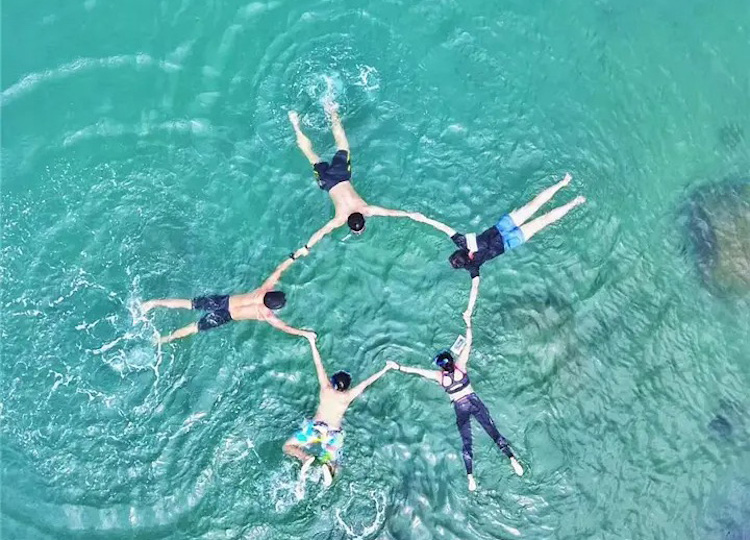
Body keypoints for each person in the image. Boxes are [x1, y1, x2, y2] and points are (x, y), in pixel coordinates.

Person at [391, 295, 524, 492]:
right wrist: (468, 323)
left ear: (441, 366)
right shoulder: (461, 366)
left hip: (460, 407)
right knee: (493, 431)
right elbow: (469, 342)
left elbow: (418, 371)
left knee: (467, 442)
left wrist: (398, 367)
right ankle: (512, 459)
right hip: (474, 401)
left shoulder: (439, 376)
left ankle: (471, 477)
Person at [406, 173, 585, 316]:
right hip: (503, 227)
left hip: (510, 242)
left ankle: (574, 202)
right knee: (534, 205)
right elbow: (444, 227)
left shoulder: (472, 267)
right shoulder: (462, 242)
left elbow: (474, 289)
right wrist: (424, 219)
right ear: (462, 252)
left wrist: (468, 310)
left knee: (544, 220)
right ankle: (564, 182)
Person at [287, 100, 440, 258]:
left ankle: (330, 109)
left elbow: (390, 212)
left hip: (341, 174)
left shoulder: (366, 209)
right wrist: (306, 247)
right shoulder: (339, 219)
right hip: (327, 182)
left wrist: (410, 214)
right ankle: (295, 124)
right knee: (312, 156)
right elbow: (321, 233)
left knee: (342, 144)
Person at [283, 332, 397, 496]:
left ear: (333, 382)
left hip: (316, 429)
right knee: (337, 465)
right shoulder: (348, 396)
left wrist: (312, 342)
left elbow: (319, 365)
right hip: (334, 434)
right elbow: (366, 383)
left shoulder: (326, 389)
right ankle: (329, 468)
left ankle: (305, 458)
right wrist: (386, 368)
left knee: (288, 446)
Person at [141, 257, 312, 344]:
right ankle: (164, 340)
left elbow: (279, 270)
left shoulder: (263, 290)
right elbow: (285, 327)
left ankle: (153, 303)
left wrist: (293, 257)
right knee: (194, 327)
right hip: (225, 316)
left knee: (189, 304)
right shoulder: (266, 315)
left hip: (223, 301)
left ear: (271, 292)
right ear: (274, 308)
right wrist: (304, 334)